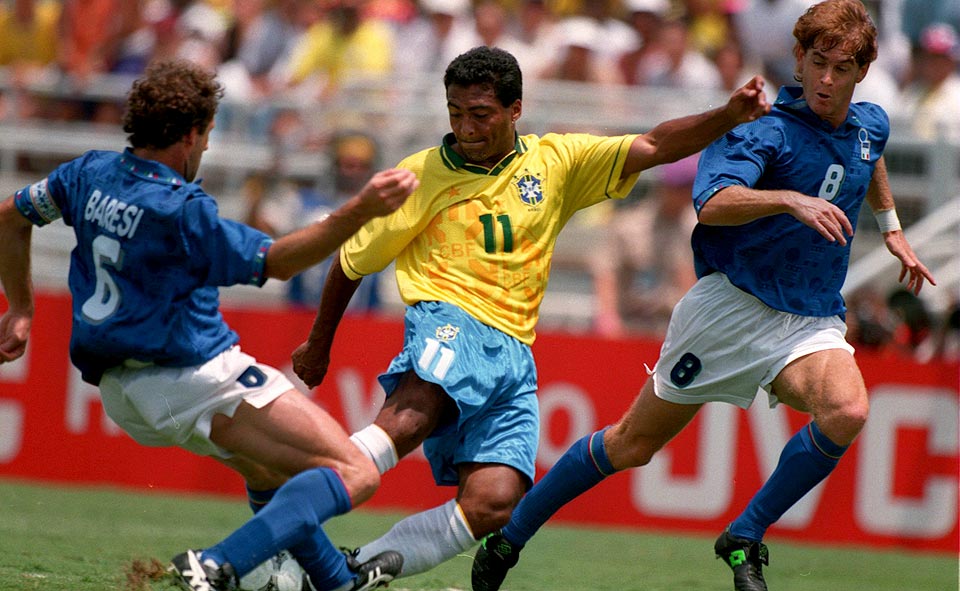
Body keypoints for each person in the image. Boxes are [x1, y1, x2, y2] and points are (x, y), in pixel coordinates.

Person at [469, 2, 937, 591]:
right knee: (631, 444)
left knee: (847, 411)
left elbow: (870, 154)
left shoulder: (870, 123)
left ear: (862, 72)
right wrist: (789, 199)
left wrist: (892, 228)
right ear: (798, 57)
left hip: (809, 317)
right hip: (729, 308)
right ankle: (510, 539)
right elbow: (712, 202)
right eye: (816, 63)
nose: (825, 80)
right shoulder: (764, 128)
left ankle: (744, 535)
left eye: (841, 69)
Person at [290, 45, 770, 583]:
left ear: (515, 109)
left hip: (514, 353)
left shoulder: (556, 162)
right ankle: (283, 539)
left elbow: (655, 144)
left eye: (480, 114)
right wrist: (319, 343)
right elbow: (352, 261)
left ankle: (344, 572)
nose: (465, 128)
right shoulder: (420, 175)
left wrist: (728, 116)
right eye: (455, 113)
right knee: (410, 416)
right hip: (450, 318)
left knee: (495, 503)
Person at [0, 59, 419, 591]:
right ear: (193, 133)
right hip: (191, 376)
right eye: (209, 136)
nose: (205, 149)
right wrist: (358, 211)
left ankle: (334, 580)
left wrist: (20, 308)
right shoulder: (181, 209)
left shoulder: (87, 173)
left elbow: (9, 218)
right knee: (354, 472)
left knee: (269, 473)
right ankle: (217, 563)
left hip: (120, 394)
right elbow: (281, 261)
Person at [245, 131, 385, 311]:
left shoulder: (381, 211)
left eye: (361, 166)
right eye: (348, 164)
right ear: (334, 165)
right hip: (302, 312)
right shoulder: (303, 202)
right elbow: (260, 235)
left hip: (361, 319)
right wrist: (255, 199)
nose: (354, 172)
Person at [590, 153, 700, 337]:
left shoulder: (696, 228)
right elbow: (606, 270)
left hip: (672, 324)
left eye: (689, 187)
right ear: (664, 187)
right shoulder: (630, 224)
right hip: (630, 321)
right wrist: (607, 316)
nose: (686, 194)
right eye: (679, 188)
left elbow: (689, 280)